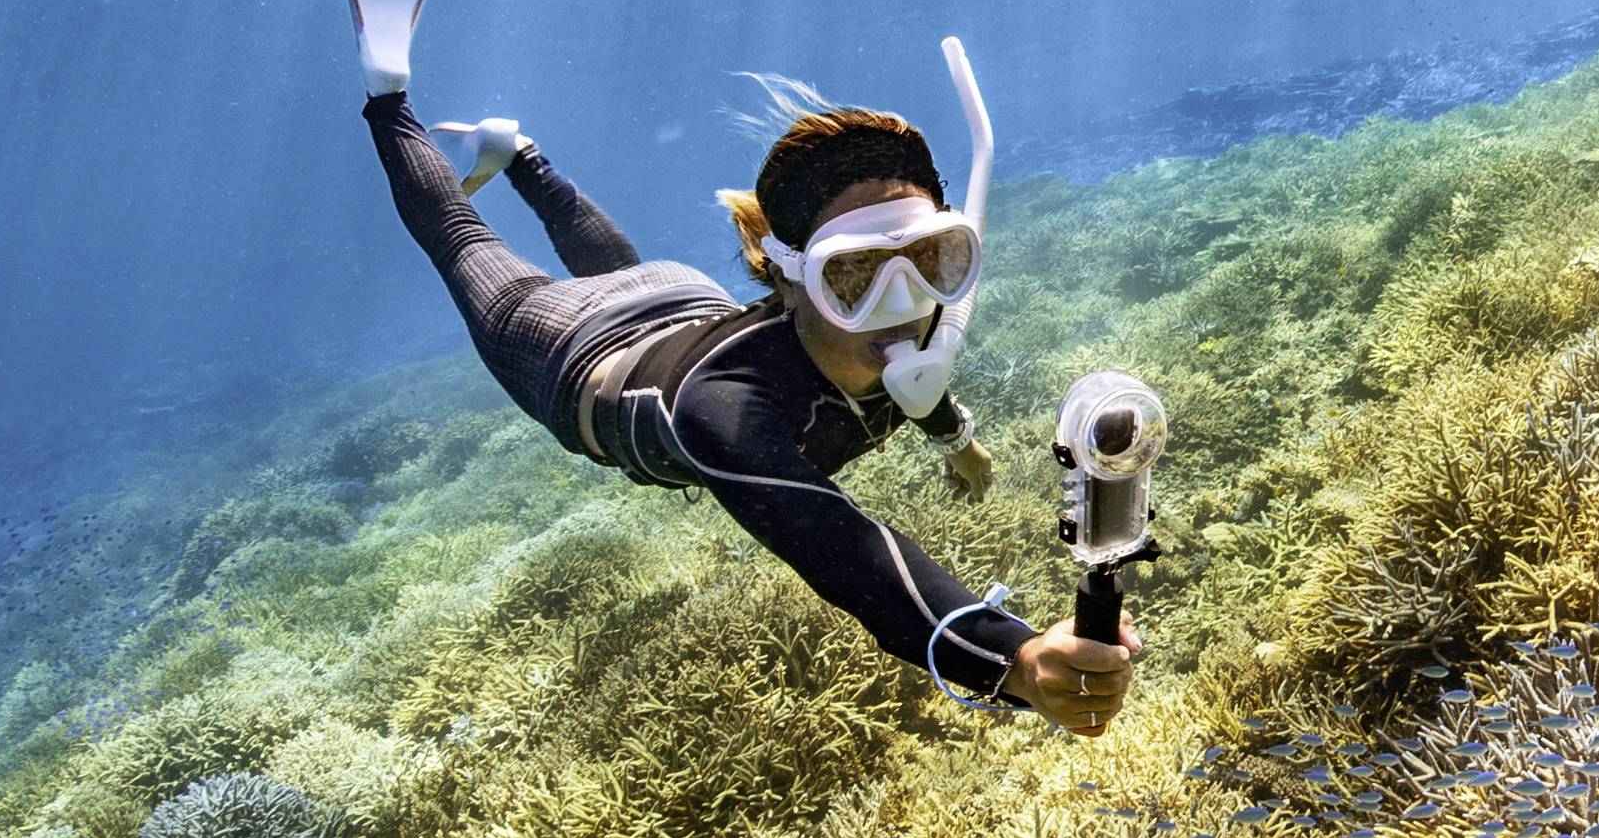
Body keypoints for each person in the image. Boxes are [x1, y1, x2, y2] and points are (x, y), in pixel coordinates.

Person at [357, 79, 1144, 735]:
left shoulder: (898, 337)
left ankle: (523, 155)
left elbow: (922, 391)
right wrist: (1014, 657)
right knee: (461, 241)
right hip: (576, 350)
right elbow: (847, 552)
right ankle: (389, 95)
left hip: (681, 302)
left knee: (623, 267)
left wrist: (959, 441)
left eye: (931, 260)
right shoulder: (724, 414)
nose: (901, 308)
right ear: (791, 274)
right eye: (855, 275)